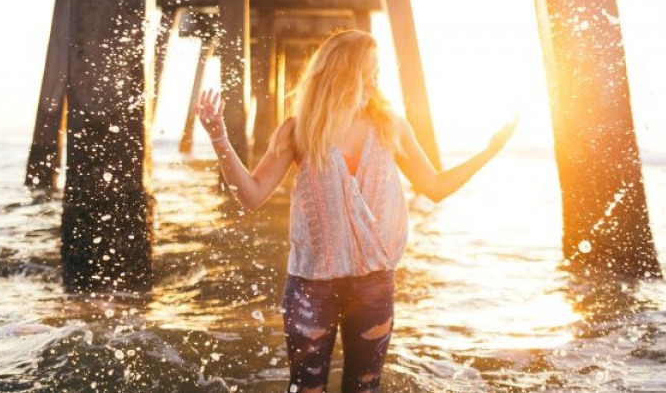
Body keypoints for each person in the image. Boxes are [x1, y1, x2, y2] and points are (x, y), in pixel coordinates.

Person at [197, 29, 516, 393]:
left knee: (364, 388)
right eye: (369, 71)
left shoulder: (389, 126)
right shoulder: (300, 131)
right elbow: (252, 195)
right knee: (306, 389)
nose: (375, 81)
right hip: (311, 287)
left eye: (377, 72)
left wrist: (488, 153)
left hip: (374, 284)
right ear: (344, 75)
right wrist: (219, 137)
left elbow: (435, 186)